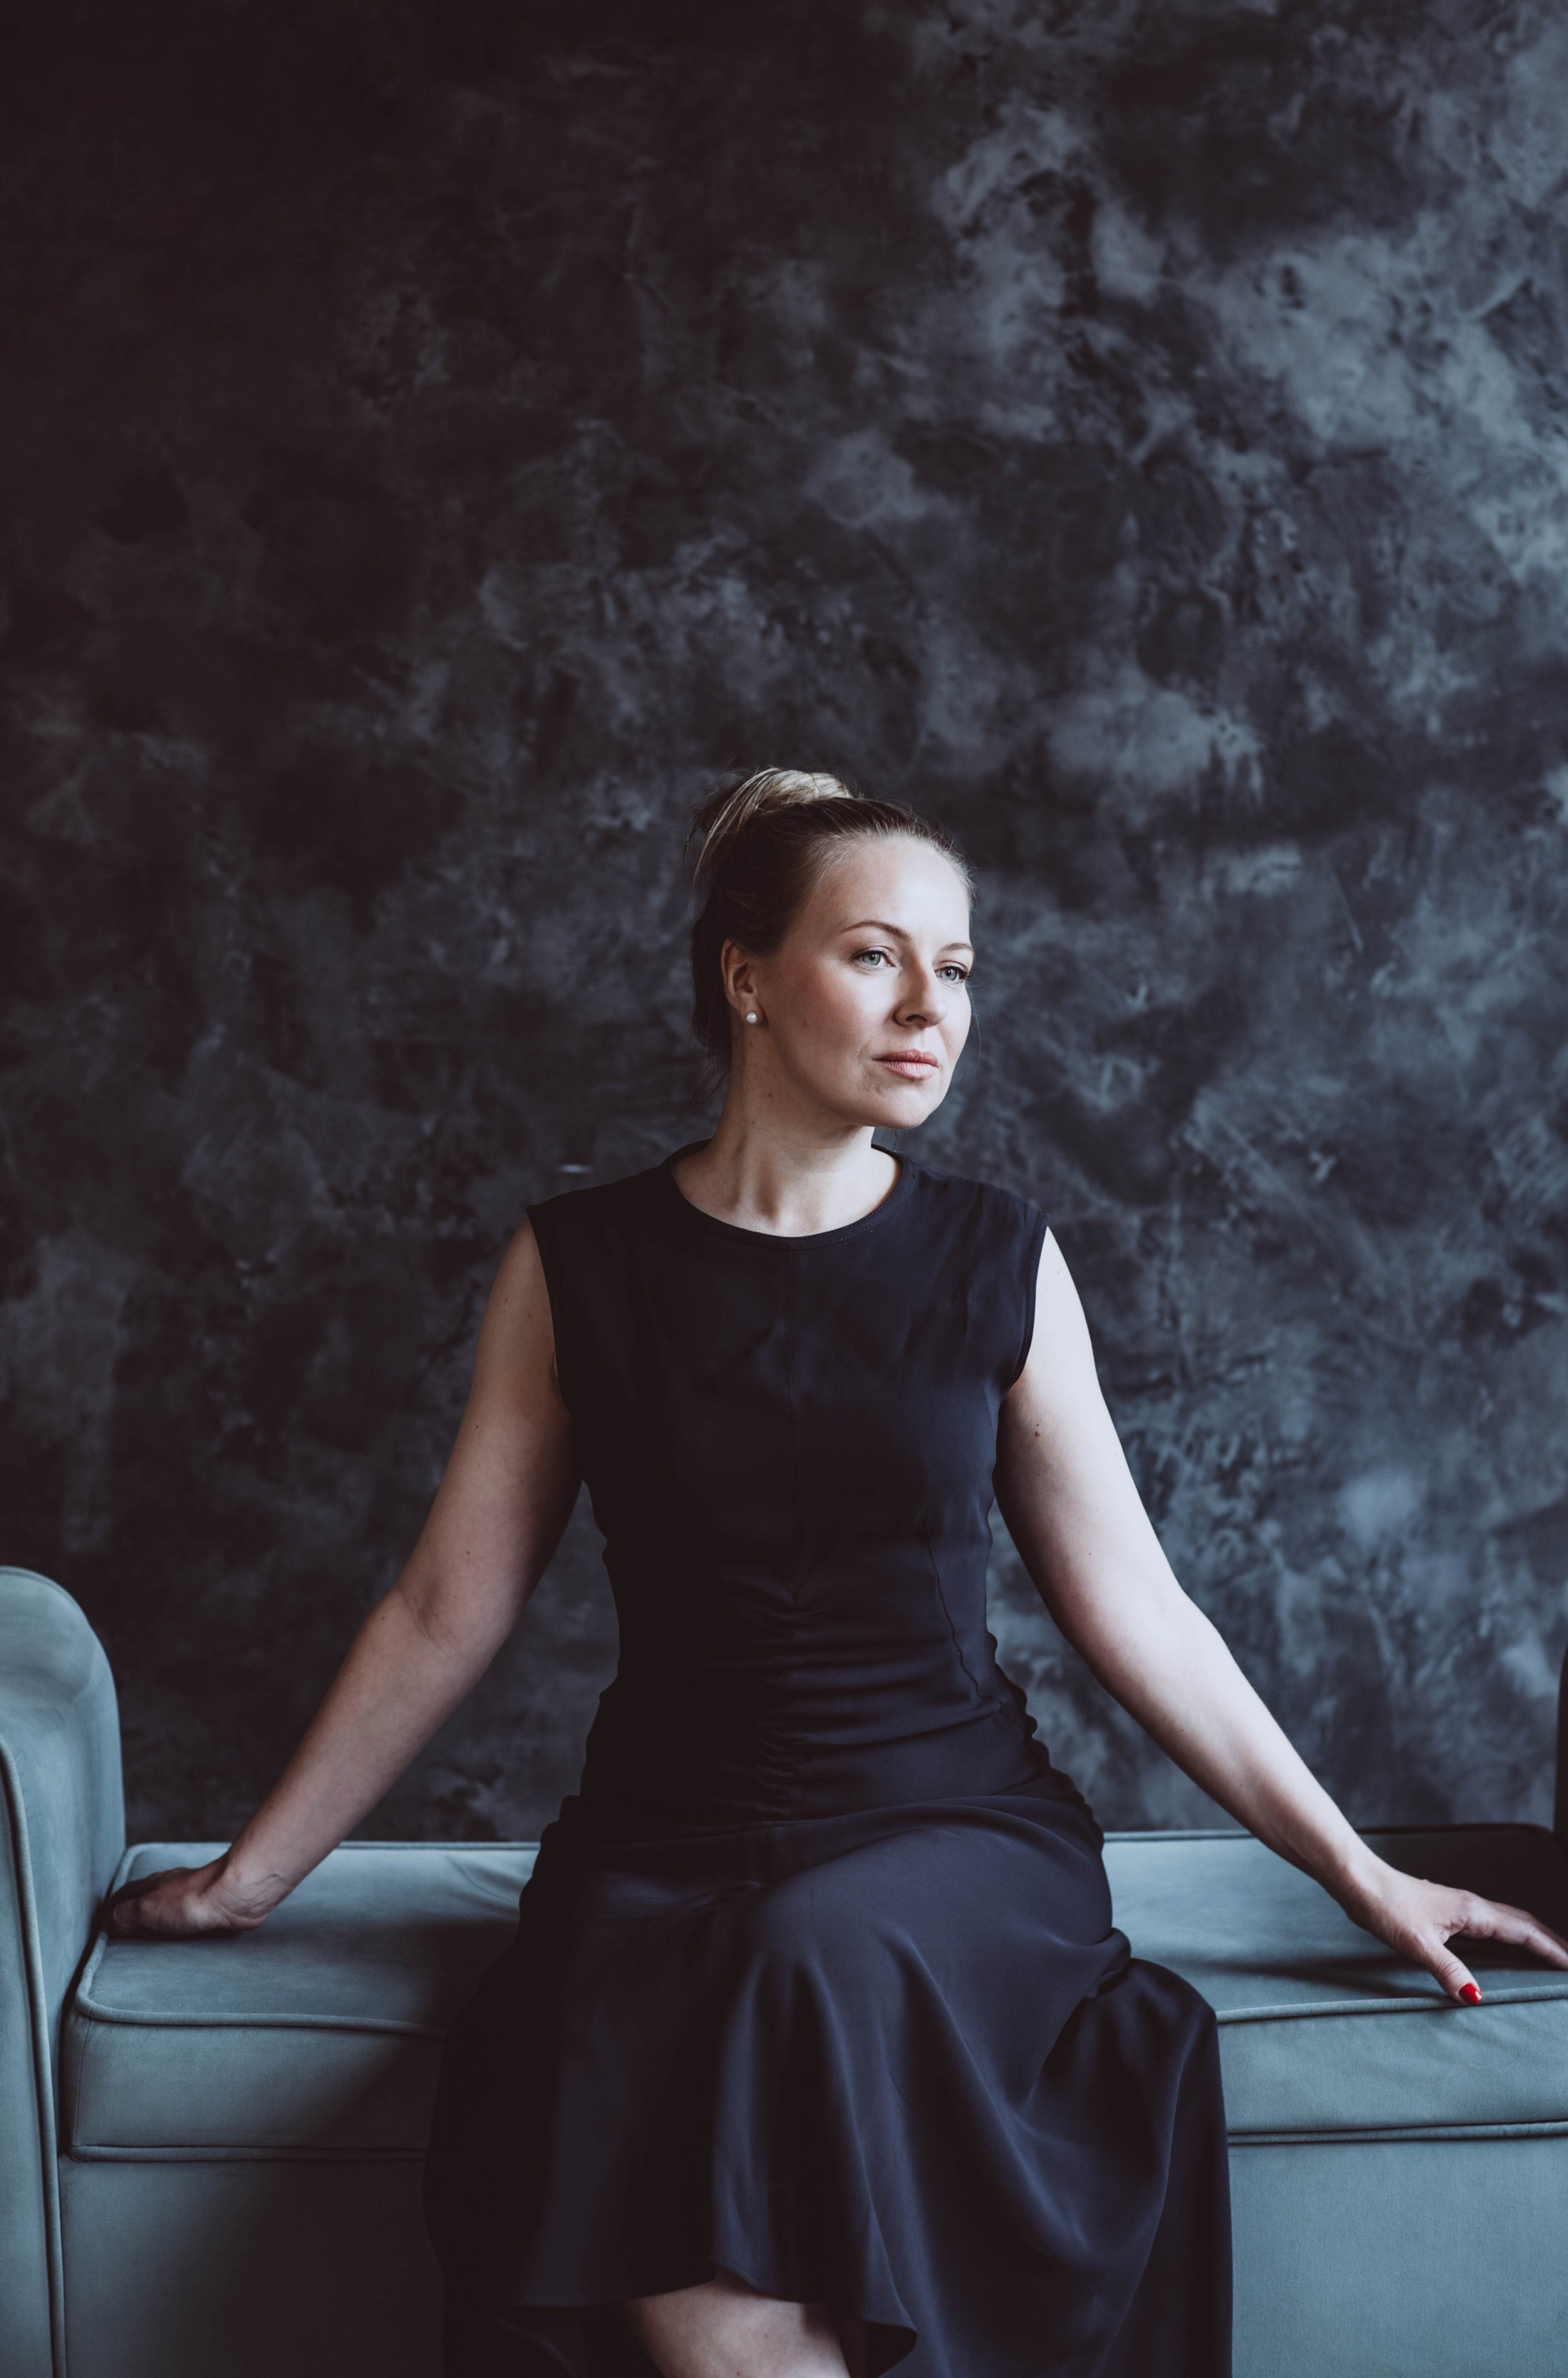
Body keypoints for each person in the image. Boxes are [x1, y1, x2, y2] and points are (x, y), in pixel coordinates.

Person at [109, 768, 1568, 2378]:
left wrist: (1364, 1875)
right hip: (659, 1846)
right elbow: (446, 1605)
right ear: (745, 976)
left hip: (950, 1834)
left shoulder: (998, 1258)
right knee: (695, 2235)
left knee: (795, 1948)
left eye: (957, 968)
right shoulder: (577, 1264)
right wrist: (250, 1880)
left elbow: (1140, 1611)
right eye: (875, 956)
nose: (930, 1007)